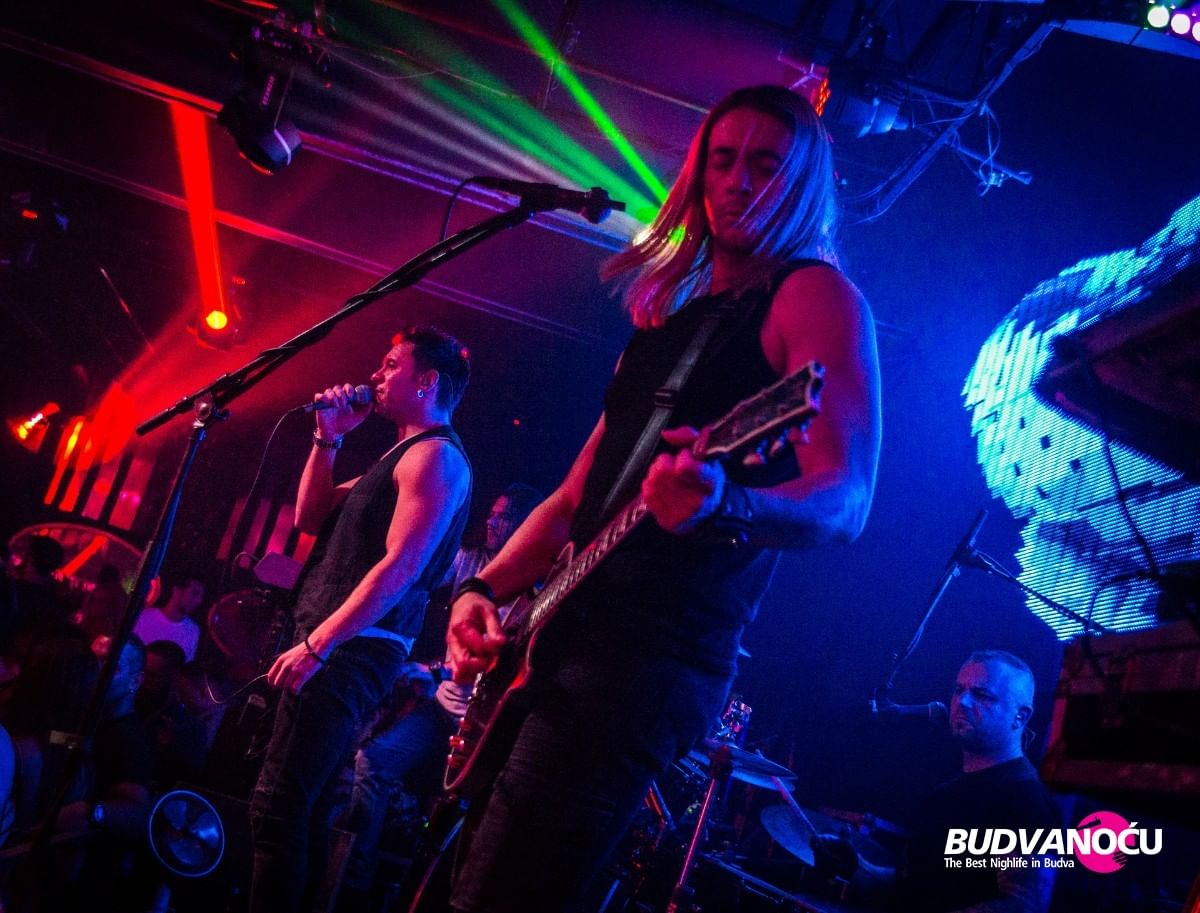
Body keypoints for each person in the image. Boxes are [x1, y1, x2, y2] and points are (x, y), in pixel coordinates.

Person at [446, 84, 881, 913]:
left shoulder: (814, 295)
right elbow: (575, 496)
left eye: (766, 165)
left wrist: (730, 504)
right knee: (466, 876)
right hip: (561, 635)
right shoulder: (667, 325)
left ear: (803, 186)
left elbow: (847, 497)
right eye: (723, 160)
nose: (739, 181)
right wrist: (484, 588)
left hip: (647, 658)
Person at [248, 325, 473, 913]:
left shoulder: (435, 457)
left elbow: (402, 565)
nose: (375, 375)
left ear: (427, 380)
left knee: (278, 807)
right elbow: (309, 516)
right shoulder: (399, 457)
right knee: (301, 808)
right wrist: (328, 437)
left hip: (349, 650)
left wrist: (318, 644)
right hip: (336, 646)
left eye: (391, 364)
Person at [340, 484, 541, 902]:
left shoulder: (534, 588)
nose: (491, 521)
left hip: (489, 727)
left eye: (503, 516)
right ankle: (352, 884)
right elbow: (422, 571)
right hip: (441, 709)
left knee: (468, 813)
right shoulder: (470, 562)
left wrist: (431, 668)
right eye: (491, 513)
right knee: (372, 762)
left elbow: (499, 661)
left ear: (524, 525)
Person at [813, 650, 1061, 912]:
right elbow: (914, 889)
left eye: (981, 695)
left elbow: (1023, 905)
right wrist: (858, 869)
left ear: (1020, 716)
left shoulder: (1026, 799)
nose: (962, 701)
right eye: (959, 689)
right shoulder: (946, 794)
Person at [133, 575, 204, 663]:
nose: (199, 601)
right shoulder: (143, 618)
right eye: (195, 593)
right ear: (177, 591)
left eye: (201, 597)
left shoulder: (194, 631)